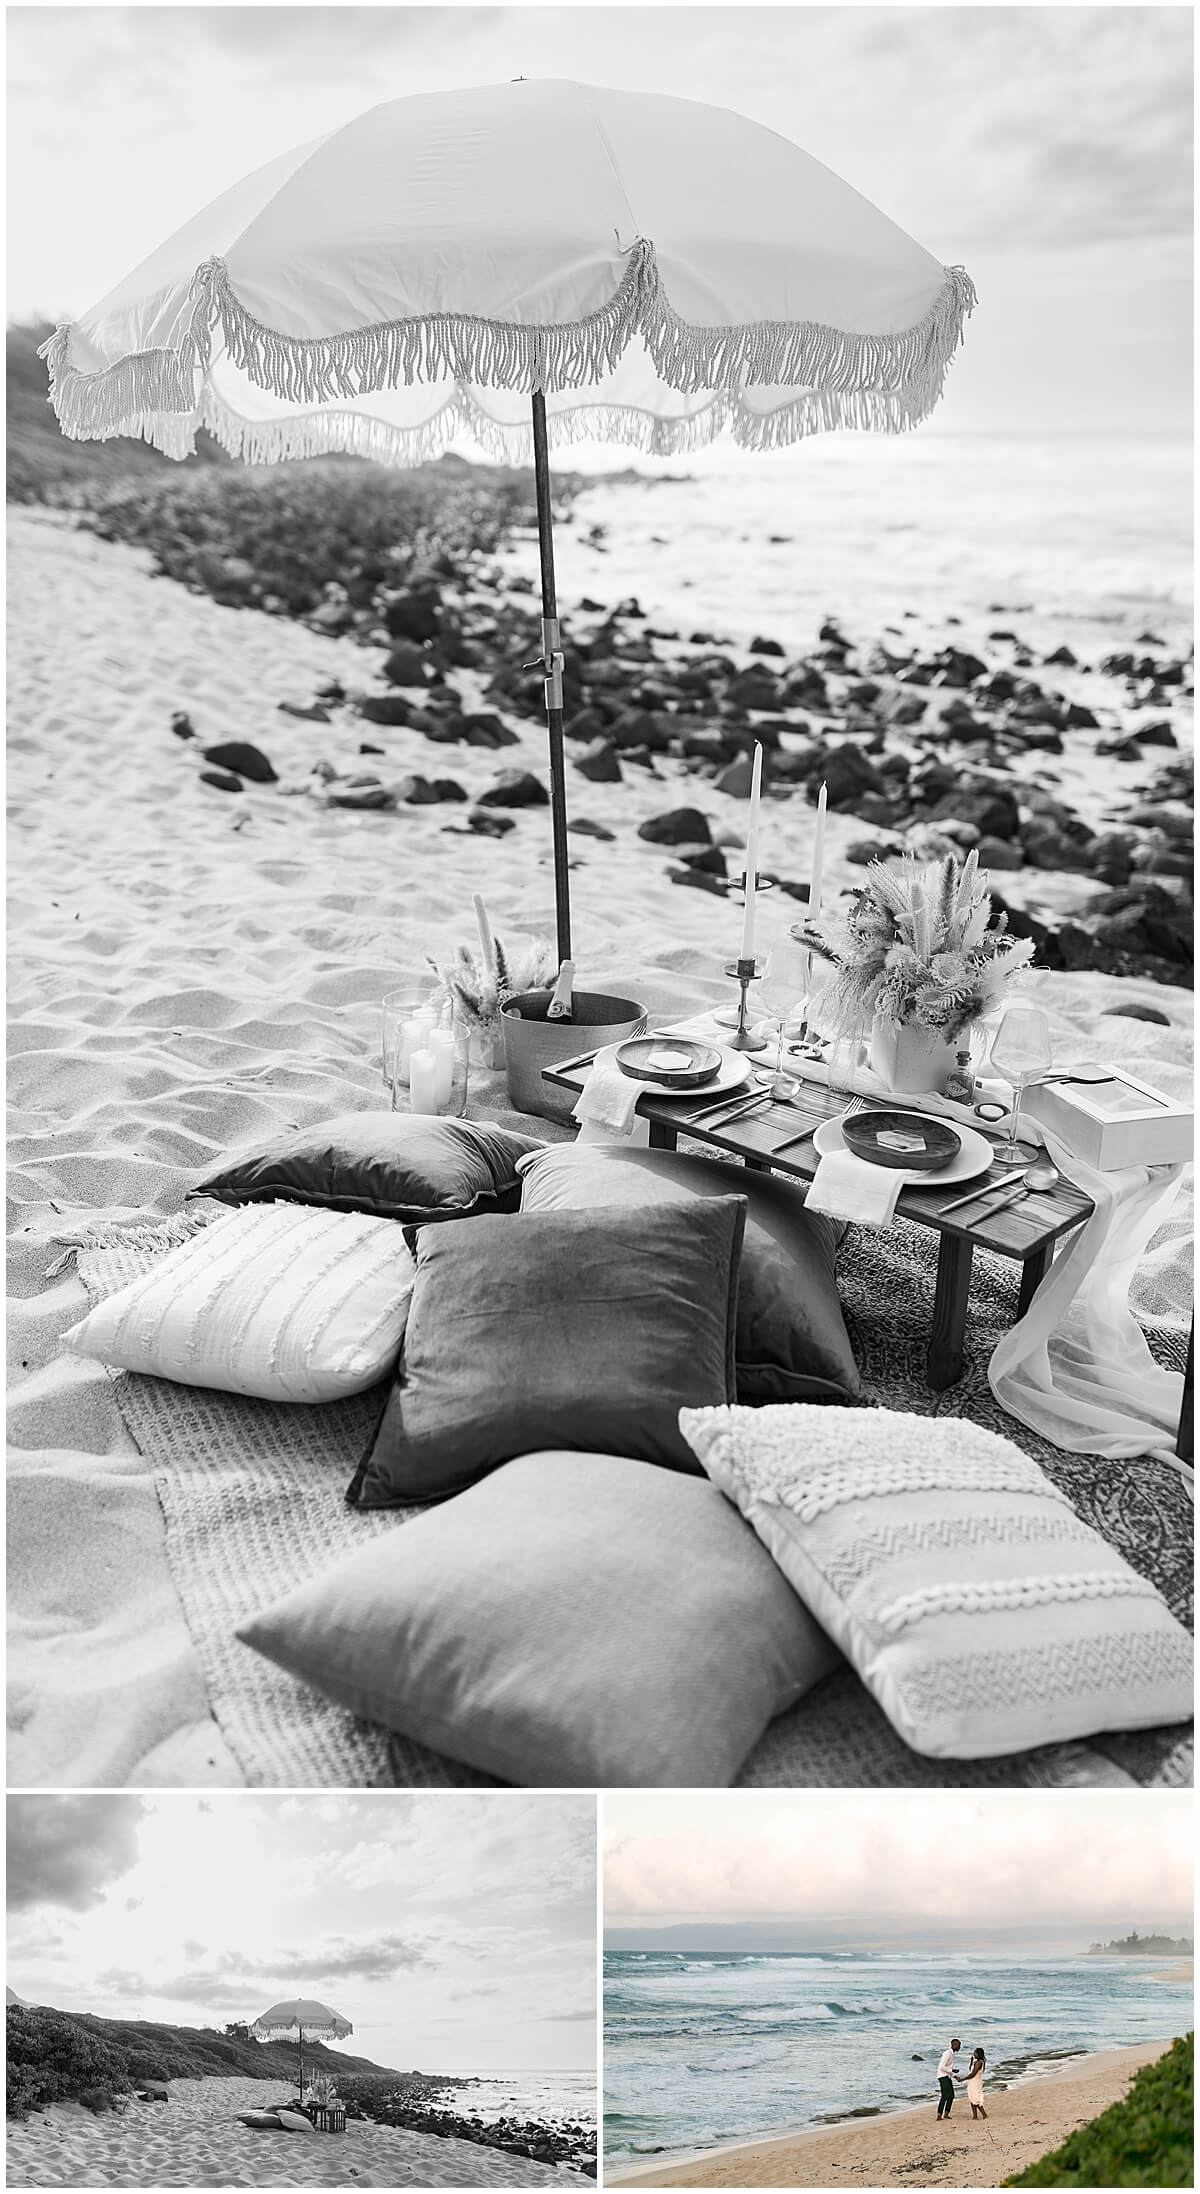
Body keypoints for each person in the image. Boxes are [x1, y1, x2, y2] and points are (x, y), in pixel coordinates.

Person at [936, 2038, 962, 2118]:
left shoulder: (952, 2054)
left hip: (947, 2076)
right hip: (942, 2076)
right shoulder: (947, 2053)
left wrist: (955, 2076)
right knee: (945, 2096)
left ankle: (946, 2113)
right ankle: (939, 2115)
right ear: (953, 2045)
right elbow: (941, 2067)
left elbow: (947, 2068)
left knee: (951, 2096)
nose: (959, 2047)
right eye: (958, 2045)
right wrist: (953, 2070)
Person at [966, 2046, 988, 2119]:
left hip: (975, 2081)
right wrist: (971, 2061)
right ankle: (975, 2116)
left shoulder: (979, 2063)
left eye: (975, 2052)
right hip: (973, 2081)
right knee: (972, 2098)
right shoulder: (977, 2062)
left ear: (978, 2054)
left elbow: (973, 2073)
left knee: (976, 2099)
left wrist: (963, 2079)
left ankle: (984, 2115)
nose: (973, 2053)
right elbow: (970, 2070)